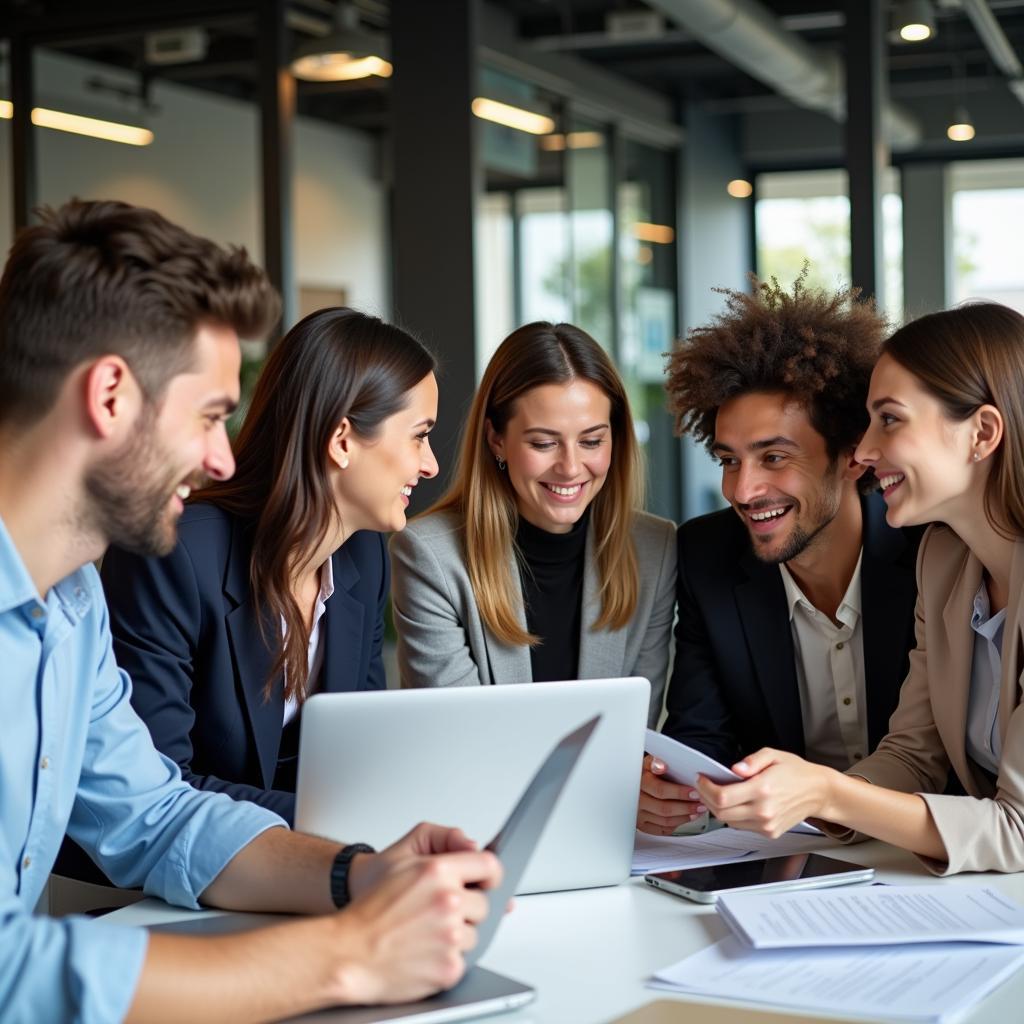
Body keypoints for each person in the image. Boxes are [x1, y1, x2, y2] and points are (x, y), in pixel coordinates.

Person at [0, 199, 501, 1022]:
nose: (224, 457)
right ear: (112, 396)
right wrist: (345, 957)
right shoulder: (160, 564)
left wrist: (358, 873)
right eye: (207, 416)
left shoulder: (75, 601)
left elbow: (156, 815)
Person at [695, 302, 1024, 875]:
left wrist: (827, 793)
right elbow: (913, 754)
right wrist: (796, 801)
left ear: (983, 433)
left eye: (889, 420)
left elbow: (1018, 830)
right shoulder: (944, 561)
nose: (865, 452)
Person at [97, 307, 438, 826]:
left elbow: (359, 762)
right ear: (342, 440)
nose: (431, 463)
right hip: (161, 887)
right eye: (419, 435)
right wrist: (342, 822)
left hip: (303, 868)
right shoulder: (175, 554)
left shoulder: (363, 558)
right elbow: (155, 786)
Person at [639, 276, 921, 836]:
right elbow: (702, 737)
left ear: (852, 457)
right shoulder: (707, 554)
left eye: (774, 457)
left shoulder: (928, 552)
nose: (743, 491)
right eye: (729, 459)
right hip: (779, 858)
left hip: (916, 854)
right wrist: (670, 788)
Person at [390, 321, 675, 727]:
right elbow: (460, 737)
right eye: (543, 443)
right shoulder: (430, 555)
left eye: (592, 441)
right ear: (496, 439)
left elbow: (633, 740)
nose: (571, 468)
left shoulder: (655, 549)